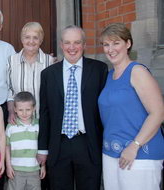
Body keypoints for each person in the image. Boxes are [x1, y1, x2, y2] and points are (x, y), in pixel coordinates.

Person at [37, 25, 108, 190]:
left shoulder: (99, 70)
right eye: (67, 43)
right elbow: (45, 113)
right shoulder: (48, 74)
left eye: (77, 42)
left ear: (84, 45)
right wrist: (43, 148)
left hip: (88, 143)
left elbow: (105, 110)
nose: (72, 47)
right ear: (61, 45)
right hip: (58, 144)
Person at [98, 23, 164, 190]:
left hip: (139, 154)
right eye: (106, 44)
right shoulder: (108, 76)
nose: (110, 49)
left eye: (116, 43)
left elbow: (158, 113)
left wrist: (134, 146)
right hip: (111, 153)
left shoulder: (137, 71)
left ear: (128, 44)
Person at [7, 22, 54, 122]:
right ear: (22, 39)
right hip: (19, 122)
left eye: (35, 38)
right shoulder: (11, 61)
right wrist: (11, 112)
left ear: (40, 40)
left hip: (44, 121)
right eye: (27, 37)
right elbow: (10, 91)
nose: (31, 41)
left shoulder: (50, 62)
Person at [5, 91, 46, 190]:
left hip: (34, 169)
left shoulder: (38, 125)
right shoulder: (11, 126)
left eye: (28, 109)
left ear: (34, 108)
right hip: (16, 170)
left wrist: (43, 166)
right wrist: (8, 166)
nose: (24, 113)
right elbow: (7, 146)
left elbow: (42, 146)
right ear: (15, 109)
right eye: (20, 110)